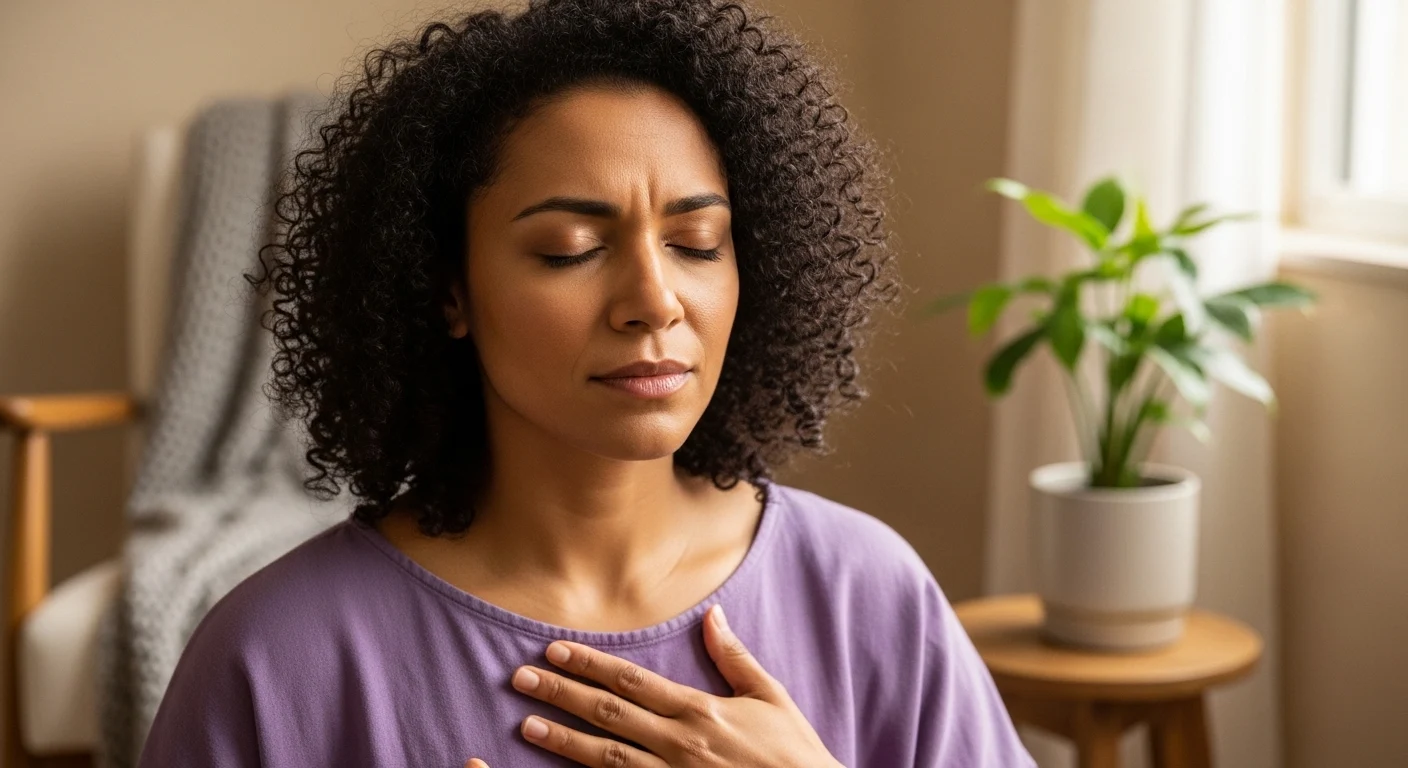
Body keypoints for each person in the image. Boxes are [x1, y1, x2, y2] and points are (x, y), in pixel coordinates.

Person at [137, 0, 1035, 766]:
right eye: (572, 249)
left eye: (696, 244)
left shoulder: (868, 593)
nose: (654, 299)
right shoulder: (276, 656)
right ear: (448, 288)